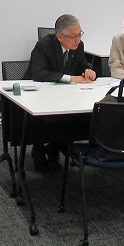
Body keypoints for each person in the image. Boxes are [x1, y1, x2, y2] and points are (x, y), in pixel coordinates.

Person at [24, 14, 96, 172]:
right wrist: (71, 78)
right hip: (37, 95)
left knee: (73, 117)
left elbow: (82, 65)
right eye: (74, 36)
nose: (78, 40)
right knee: (46, 118)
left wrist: (88, 71)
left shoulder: (79, 46)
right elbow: (39, 74)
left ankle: (56, 146)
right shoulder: (43, 45)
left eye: (80, 34)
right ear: (59, 36)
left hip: (63, 94)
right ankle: (38, 149)